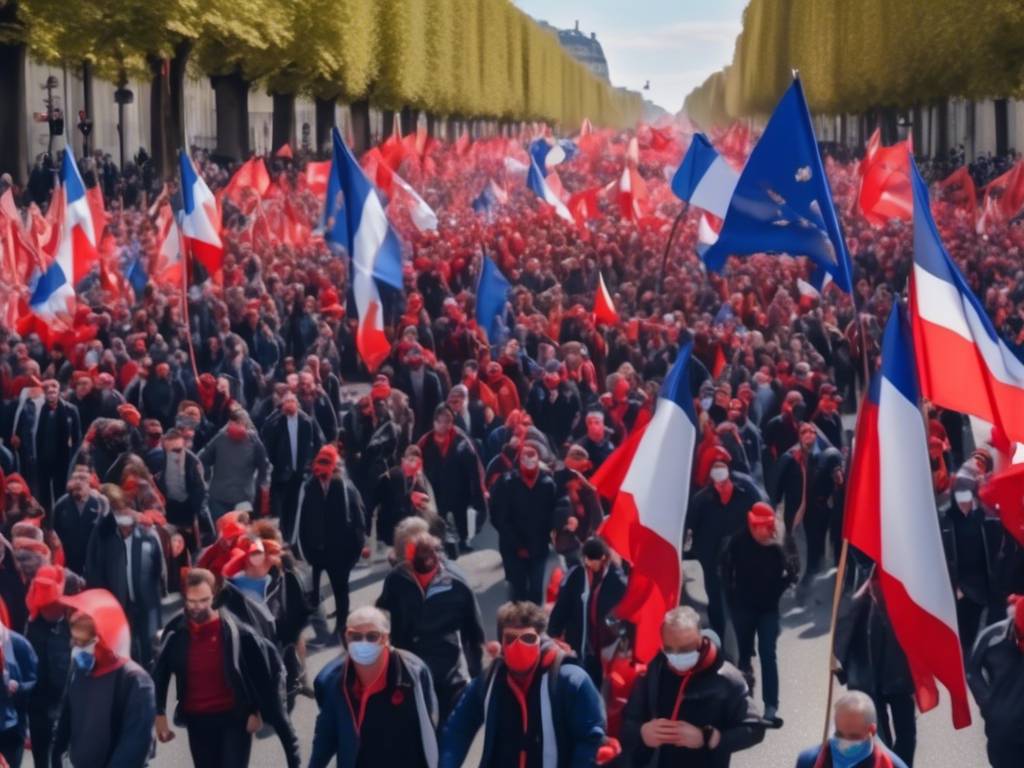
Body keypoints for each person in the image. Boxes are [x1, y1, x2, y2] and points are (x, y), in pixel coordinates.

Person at [153, 568, 301, 768]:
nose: (197, 607)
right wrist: (160, 715)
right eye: (192, 601)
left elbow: (263, 680)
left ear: (216, 597)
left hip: (235, 718)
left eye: (204, 600)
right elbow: (160, 673)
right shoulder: (176, 634)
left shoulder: (240, 635)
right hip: (198, 721)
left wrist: (255, 711)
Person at [439, 600, 606, 768]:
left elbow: (590, 738)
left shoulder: (571, 681)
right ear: (501, 644)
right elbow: (457, 730)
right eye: (510, 638)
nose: (519, 645)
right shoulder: (488, 682)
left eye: (528, 638)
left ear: (540, 640)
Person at [620, 606, 764, 767]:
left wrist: (709, 738)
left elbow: (755, 729)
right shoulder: (655, 670)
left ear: (701, 641)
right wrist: (642, 732)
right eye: (669, 649)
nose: (676, 656)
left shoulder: (728, 679)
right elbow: (628, 722)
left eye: (685, 649)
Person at [309, 605, 439, 768]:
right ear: (346, 638)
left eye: (372, 636)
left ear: (385, 639)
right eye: (355, 636)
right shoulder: (331, 681)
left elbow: (430, 719)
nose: (363, 642)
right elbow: (325, 734)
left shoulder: (413, 672)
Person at [376, 532, 485, 719]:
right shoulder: (396, 579)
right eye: (422, 553)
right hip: (408, 666)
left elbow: (473, 632)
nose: (428, 558)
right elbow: (382, 615)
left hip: (448, 670)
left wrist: (477, 676)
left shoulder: (456, 584)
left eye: (432, 552)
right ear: (410, 555)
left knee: (445, 724)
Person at [51, 589, 157, 768]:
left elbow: (135, 744)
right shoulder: (79, 669)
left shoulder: (136, 681)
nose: (76, 648)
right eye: (74, 640)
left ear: (104, 640)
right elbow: (67, 719)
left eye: (83, 642)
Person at [720, 502, 797, 726]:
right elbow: (724, 571)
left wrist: (779, 589)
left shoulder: (779, 543)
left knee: (768, 654)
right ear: (752, 525)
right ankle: (746, 705)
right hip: (743, 608)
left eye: (768, 526)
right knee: (743, 657)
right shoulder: (736, 542)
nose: (764, 532)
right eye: (759, 527)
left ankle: (771, 706)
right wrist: (732, 599)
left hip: (768, 609)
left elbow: (793, 569)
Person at [835, 571, 916, 767]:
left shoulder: (908, 598)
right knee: (879, 739)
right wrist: (839, 667)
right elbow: (842, 638)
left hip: (900, 679)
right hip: (869, 684)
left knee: (906, 735)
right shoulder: (859, 602)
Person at [686, 446, 765, 640]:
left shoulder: (746, 491)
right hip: (712, 559)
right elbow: (689, 528)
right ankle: (719, 639)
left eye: (722, 466)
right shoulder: (700, 500)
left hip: (741, 557)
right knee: (715, 599)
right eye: (715, 467)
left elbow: (762, 510)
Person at [85, 484, 165, 669]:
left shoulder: (147, 534)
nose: (124, 529)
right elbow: (95, 568)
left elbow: (158, 568)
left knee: (150, 647)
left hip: (145, 601)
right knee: (124, 646)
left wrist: (159, 591)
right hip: (119, 603)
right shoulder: (104, 538)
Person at [293, 444, 367, 636]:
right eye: (319, 464)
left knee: (340, 589)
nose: (321, 471)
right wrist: (303, 549)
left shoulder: (345, 488)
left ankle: (342, 626)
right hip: (316, 551)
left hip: (339, 553)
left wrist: (353, 554)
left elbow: (358, 522)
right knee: (313, 594)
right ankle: (320, 630)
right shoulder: (309, 487)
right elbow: (301, 520)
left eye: (327, 464)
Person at [548, 536, 628, 688]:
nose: (587, 563)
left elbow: (625, 611)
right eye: (586, 558)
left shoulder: (617, 580)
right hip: (578, 640)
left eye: (592, 560)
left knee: (599, 682)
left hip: (603, 642)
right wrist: (553, 631)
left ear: (603, 558)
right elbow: (563, 605)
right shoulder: (576, 575)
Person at [490, 440, 563, 604]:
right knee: (517, 590)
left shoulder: (548, 484)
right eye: (525, 457)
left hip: (539, 548)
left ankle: (534, 625)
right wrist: (518, 546)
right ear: (519, 461)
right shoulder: (506, 483)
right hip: (513, 550)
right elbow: (498, 518)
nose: (529, 461)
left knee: (536, 590)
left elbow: (553, 514)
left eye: (533, 457)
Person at [940, 471, 1005, 653]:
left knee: (978, 631)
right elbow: (944, 554)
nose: (964, 504)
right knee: (963, 633)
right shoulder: (946, 520)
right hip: (959, 586)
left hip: (981, 585)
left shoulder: (984, 519)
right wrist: (954, 586)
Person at [418, 404, 487, 553]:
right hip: (436, 488)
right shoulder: (425, 441)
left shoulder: (461, 439)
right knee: (438, 518)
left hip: (458, 487)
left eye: (448, 421)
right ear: (434, 422)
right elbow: (416, 462)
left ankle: (463, 541)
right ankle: (440, 544)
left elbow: (474, 465)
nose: (445, 424)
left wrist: (478, 491)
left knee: (460, 515)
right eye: (441, 421)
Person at [260, 391, 324, 541]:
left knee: (296, 509)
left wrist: (312, 463)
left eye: (291, 401)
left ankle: (294, 540)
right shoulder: (276, 422)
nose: (289, 405)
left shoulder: (307, 421)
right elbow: (267, 439)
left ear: (297, 404)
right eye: (286, 402)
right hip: (282, 473)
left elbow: (319, 442)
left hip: (301, 472)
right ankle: (284, 538)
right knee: (281, 509)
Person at [794, 691, 908, 768]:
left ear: (871, 731)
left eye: (853, 736)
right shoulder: (810, 761)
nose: (844, 743)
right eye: (839, 734)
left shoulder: (892, 765)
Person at [199, 413, 271, 520]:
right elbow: (203, 459)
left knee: (239, 531)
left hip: (243, 498)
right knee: (223, 531)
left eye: (239, 423)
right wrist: (206, 477)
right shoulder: (220, 438)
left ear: (246, 425)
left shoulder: (254, 442)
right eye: (233, 423)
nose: (236, 426)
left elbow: (264, 466)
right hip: (219, 498)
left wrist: (260, 484)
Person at [154, 428, 213, 554]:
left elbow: (200, 489)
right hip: (168, 508)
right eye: (171, 451)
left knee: (191, 548)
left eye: (179, 450)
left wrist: (196, 512)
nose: (176, 454)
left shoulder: (192, 462)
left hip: (188, 509)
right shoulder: (158, 459)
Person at [51, 467, 105, 575]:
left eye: (83, 478)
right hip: (68, 563)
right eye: (75, 478)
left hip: (92, 563)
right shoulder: (61, 505)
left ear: (90, 482)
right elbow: (54, 534)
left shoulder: (99, 504)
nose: (78, 482)